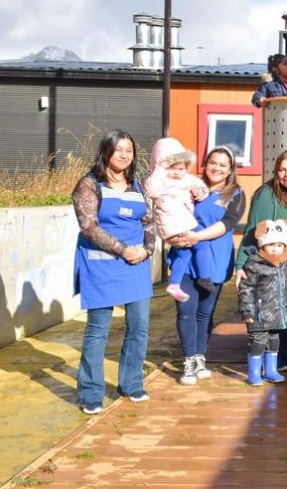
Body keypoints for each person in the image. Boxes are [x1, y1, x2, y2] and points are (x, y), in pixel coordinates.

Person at [72, 129, 154, 414]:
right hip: (100, 266)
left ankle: (131, 384)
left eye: (129, 150)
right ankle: (91, 393)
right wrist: (123, 249)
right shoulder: (89, 184)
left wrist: (148, 249)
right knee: (98, 331)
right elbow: (89, 226)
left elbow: (149, 222)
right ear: (106, 151)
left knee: (139, 327)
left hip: (136, 265)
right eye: (118, 149)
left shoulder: (138, 184)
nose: (124, 154)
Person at [169, 146, 246, 386]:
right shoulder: (190, 188)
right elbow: (170, 211)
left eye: (223, 165)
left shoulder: (235, 193)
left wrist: (198, 237)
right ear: (205, 163)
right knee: (186, 310)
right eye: (213, 162)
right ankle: (189, 360)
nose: (217, 168)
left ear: (230, 169)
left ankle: (200, 355)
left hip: (216, 261)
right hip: (186, 258)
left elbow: (228, 223)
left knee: (205, 312)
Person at [236, 150, 287, 371]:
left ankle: (282, 357)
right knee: (267, 310)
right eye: (282, 170)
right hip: (270, 264)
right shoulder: (267, 194)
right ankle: (263, 357)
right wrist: (240, 266)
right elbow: (253, 230)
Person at [145, 137, 210, 303]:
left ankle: (174, 281)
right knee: (201, 243)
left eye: (181, 168)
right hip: (173, 223)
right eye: (171, 168)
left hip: (182, 222)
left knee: (185, 253)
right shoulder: (160, 180)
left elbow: (198, 184)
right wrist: (160, 168)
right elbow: (151, 189)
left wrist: (200, 191)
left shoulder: (186, 178)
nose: (177, 172)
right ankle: (205, 276)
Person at [238, 219, 287, 386]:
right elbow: (246, 288)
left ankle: (271, 370)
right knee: (257, 342)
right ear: (263, 245)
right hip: (259, 314)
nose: (275, 248)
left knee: (274, 341)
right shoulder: (254, 264)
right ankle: (254, 372)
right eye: (271, 244)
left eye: (279, 245)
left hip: (278, 314)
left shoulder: (285, 263)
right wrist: (247, 311)